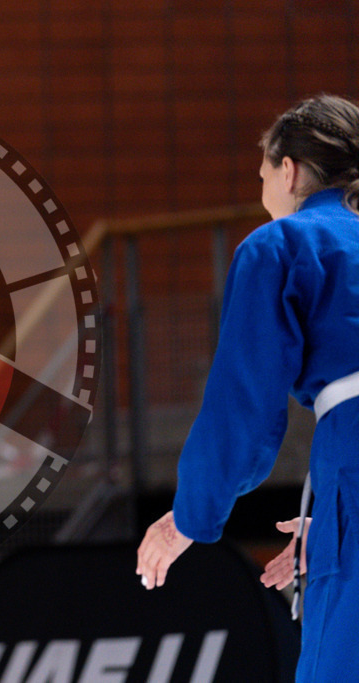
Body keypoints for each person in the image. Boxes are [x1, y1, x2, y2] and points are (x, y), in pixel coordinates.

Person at [136, 94, 359, 682]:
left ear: (288, 171)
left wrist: (190, 516)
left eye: (263, 174)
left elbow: (245, 408)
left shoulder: (285, 244)